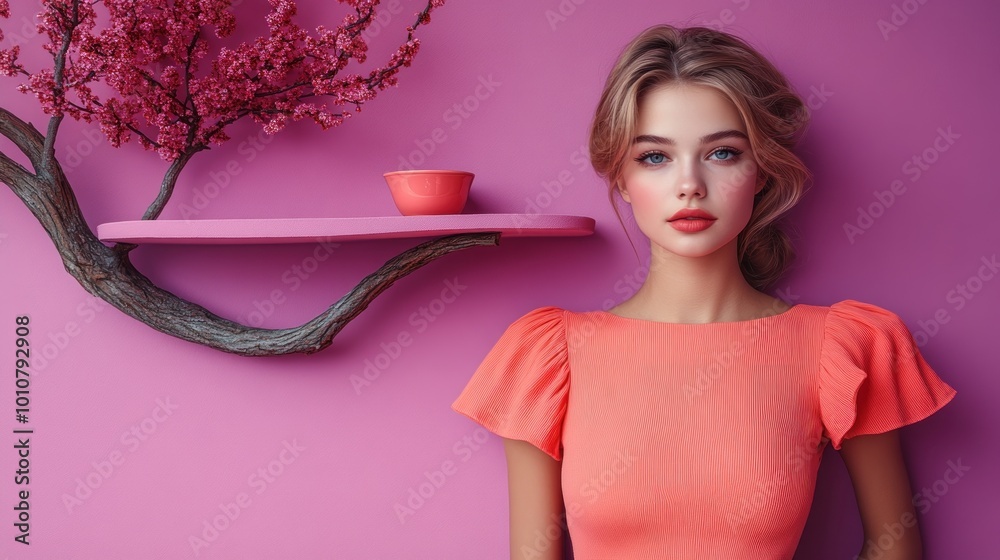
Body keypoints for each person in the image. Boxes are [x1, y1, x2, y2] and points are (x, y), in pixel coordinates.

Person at [450, 23, 956, 560]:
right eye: (654, 157)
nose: (689, 183)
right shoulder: (548, 356)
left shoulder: (844, 345)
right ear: (620, 177)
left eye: (722, 153)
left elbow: (893, 546)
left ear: (761, 170)